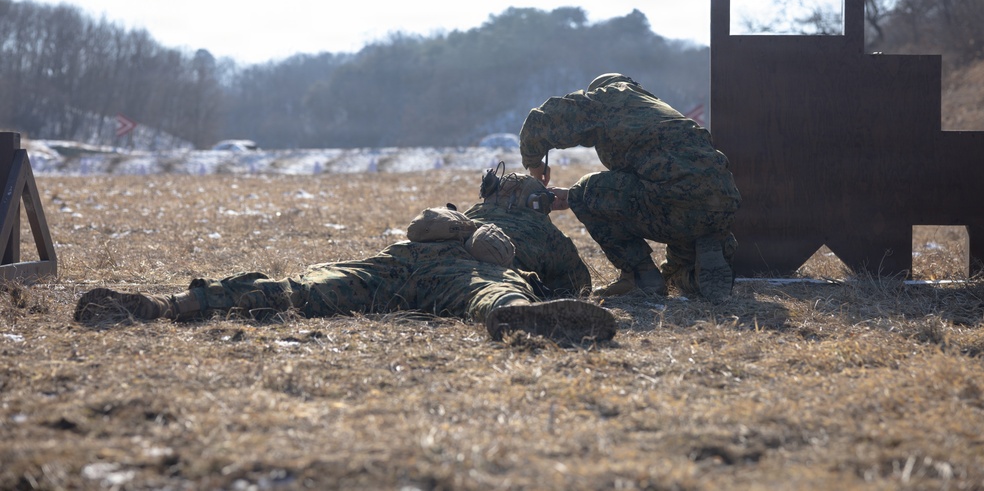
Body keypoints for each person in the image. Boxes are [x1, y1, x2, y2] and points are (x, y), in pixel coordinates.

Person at [74, 196, 615, 345]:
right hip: (445, 270)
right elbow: (577, 287)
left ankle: (175, 307)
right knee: (491, 293)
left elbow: (418, 226)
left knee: (303, 290)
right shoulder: (529, 229)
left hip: (405, 266)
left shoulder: (474, 217)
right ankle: (514, 318)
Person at [519, 73, 741, 302]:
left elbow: (542, 121)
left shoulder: (610, 98)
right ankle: (705, 248)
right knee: (676, 278)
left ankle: (638, 275)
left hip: (674, 203)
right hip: (719, 207)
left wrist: (535, 164)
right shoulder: (658, 109)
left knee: (586, 190)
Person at [464, 164, 592, 297]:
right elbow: (580, 286)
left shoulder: (469, 215)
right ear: (538, 202)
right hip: (500, 292)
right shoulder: (547, 233)